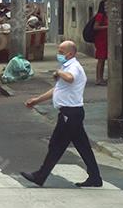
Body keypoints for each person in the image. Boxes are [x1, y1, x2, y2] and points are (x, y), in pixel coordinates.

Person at [21, 40, 103, 188]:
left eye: (61, 52)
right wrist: (37, 100)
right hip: (72, 113)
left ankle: (40, 176)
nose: (58, 54)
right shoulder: (67, 67)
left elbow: (70, 78)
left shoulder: (74, 67)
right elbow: (57, 90)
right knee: (82, 146)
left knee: (56, 145)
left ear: (70, 53)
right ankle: (95, 177)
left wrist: (59, 73)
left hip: (70, 113)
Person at [92, 0, 109, 86]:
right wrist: (107, 27)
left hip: (106, 40)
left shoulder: (107, 16)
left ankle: (101, 78)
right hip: (101, 40)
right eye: (105, 5)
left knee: (103, 59)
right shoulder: (100, 15)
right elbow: (96, 27)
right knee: (101, 60)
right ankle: (98, 78)